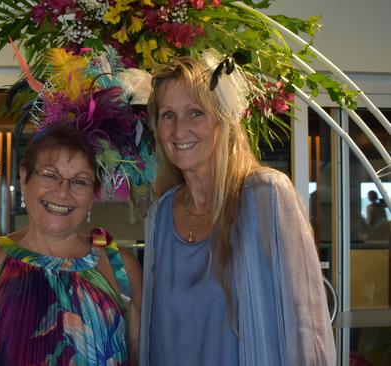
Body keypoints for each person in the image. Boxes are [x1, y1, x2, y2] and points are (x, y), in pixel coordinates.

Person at [139, 51, 336, 365]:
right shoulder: (160, 215)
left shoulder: (267, 196)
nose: (178, 130)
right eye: (168, 115)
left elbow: (307, 329)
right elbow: (154, 335)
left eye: (195, 113)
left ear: (223, 119)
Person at [0, 124, 142, 365]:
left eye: (80, 182)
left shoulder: (120, 266)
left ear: (94, 194)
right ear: (24, 177)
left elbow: (140, 355)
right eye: (49, 175)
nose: (62, 192)